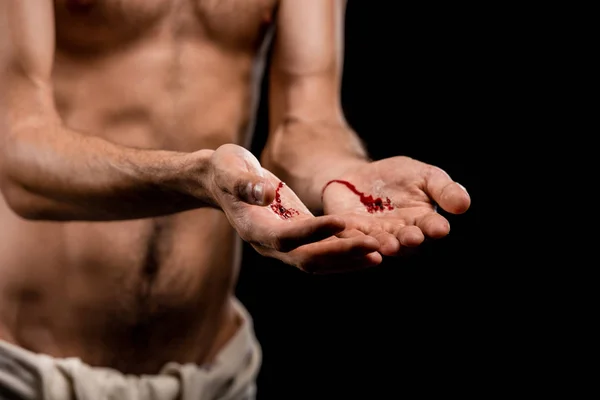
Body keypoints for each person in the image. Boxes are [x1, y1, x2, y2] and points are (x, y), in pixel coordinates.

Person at [0, 0, 471, 399]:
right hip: (26, 370)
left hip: (216, 374)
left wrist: (341, 174)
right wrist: (195, 178)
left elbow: (305, 123)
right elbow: (19, 152)